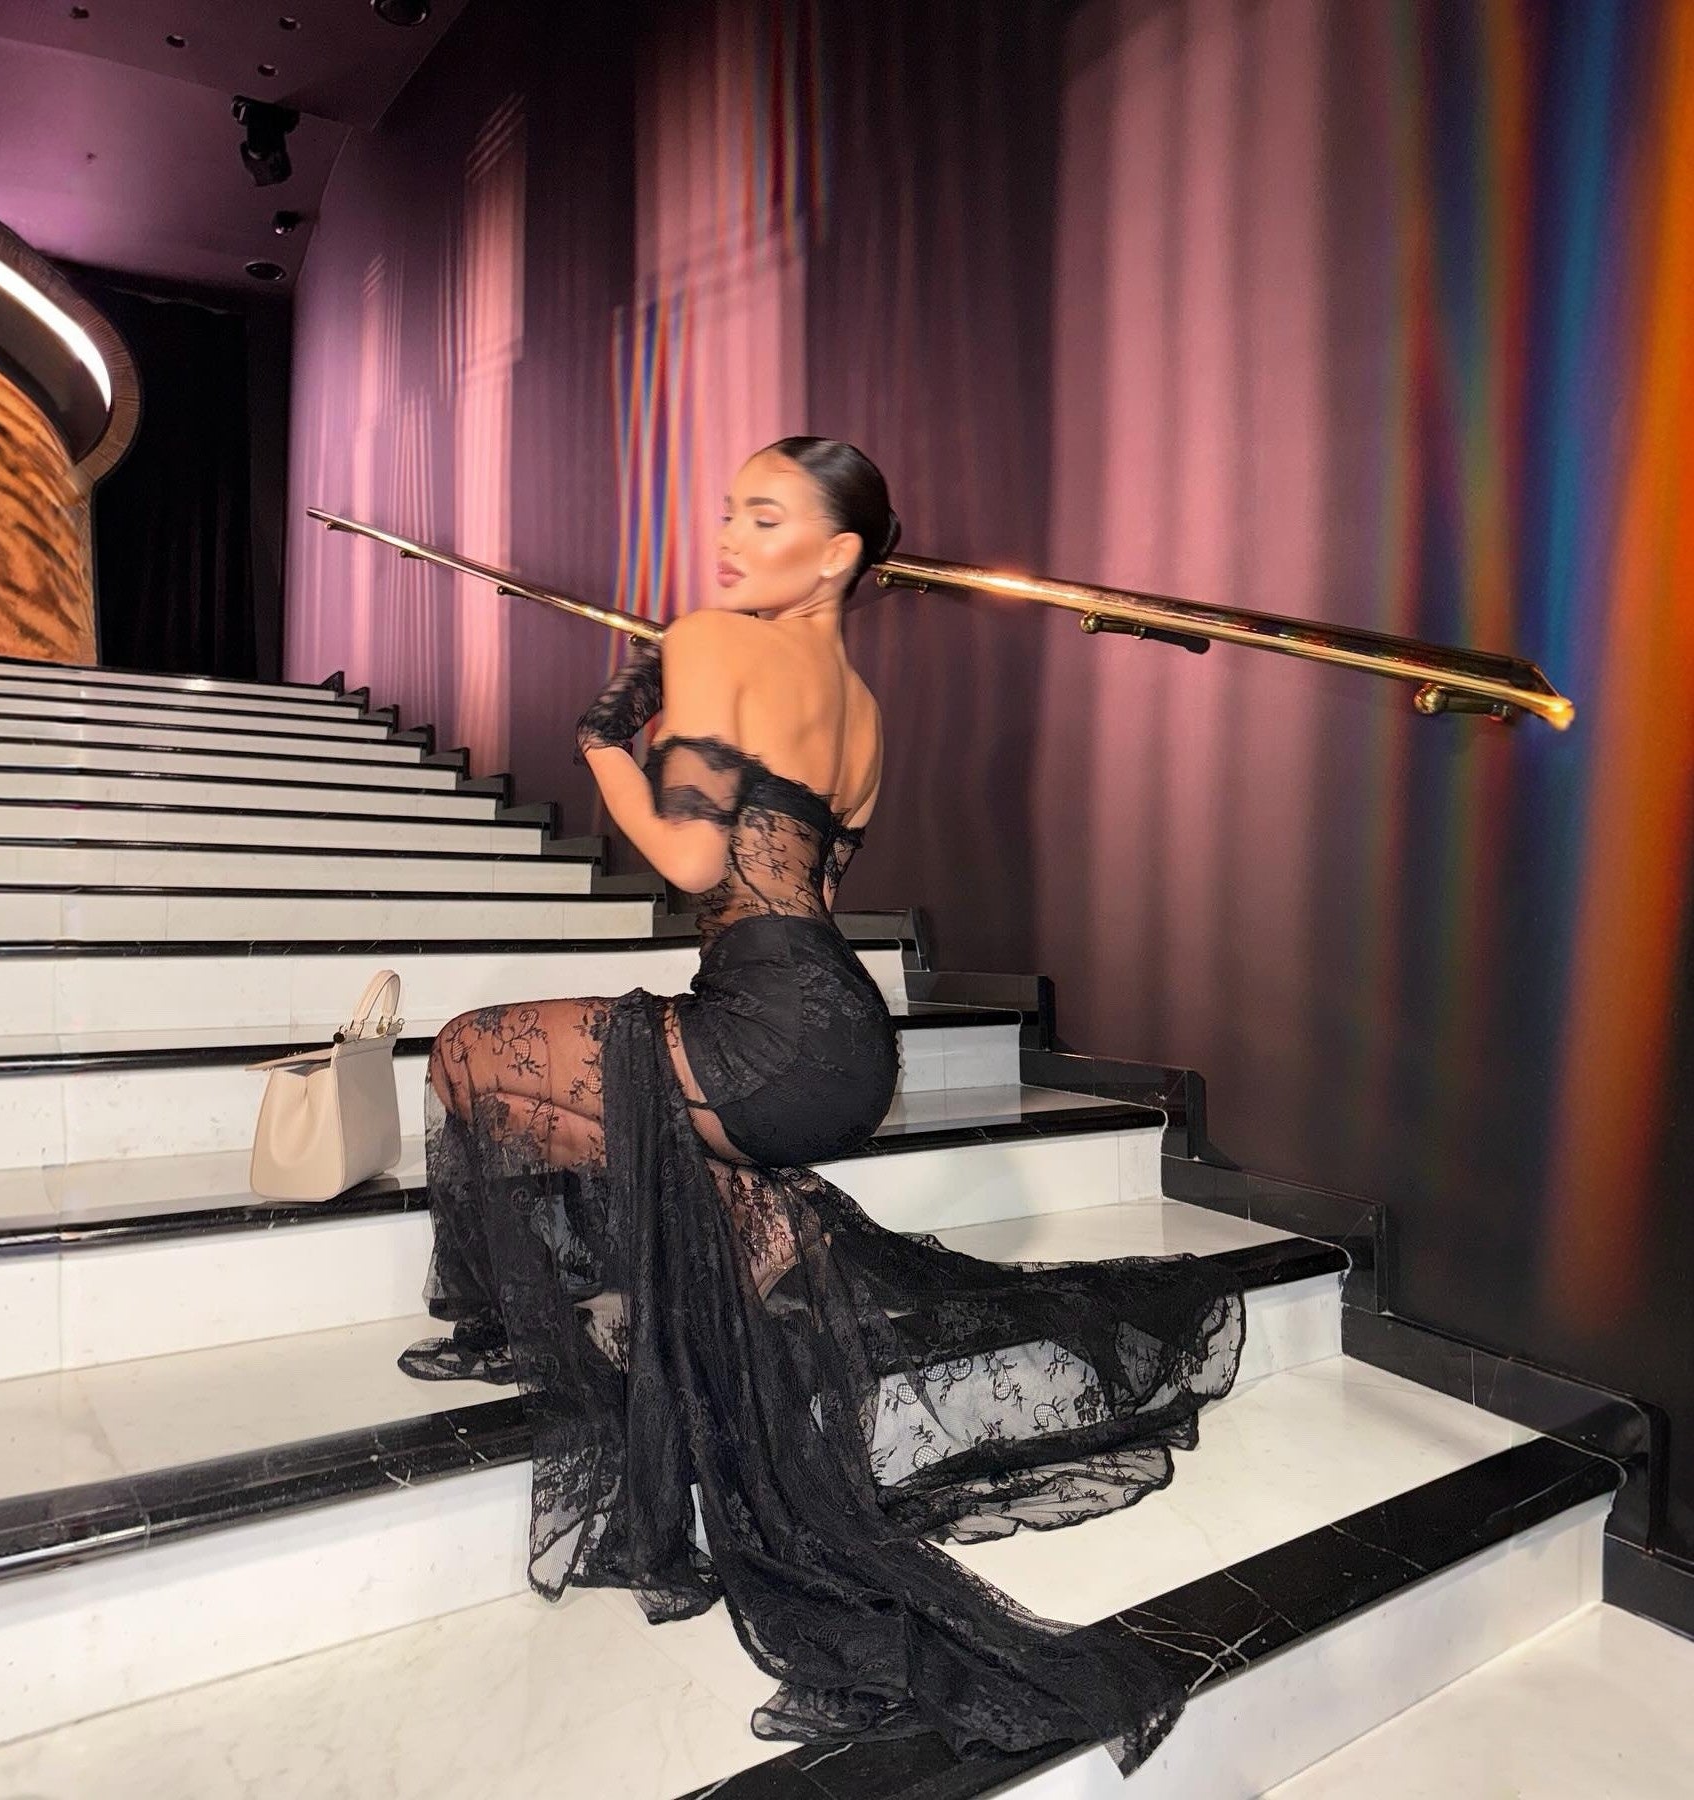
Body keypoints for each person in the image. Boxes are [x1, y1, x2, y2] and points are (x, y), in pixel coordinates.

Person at [401, 437, 1245, 1775]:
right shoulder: (855, 705)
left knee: (462, 1054)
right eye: (730, 507)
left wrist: (602, 745)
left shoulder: (714, 638)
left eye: (765, 513)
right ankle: (724, 1255)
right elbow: (803, 874)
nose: (730, 533)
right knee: (639, 1104)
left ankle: (571, 1317)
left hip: (770, 1029)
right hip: (844, 1037)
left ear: (840, 551)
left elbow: (689, 858)